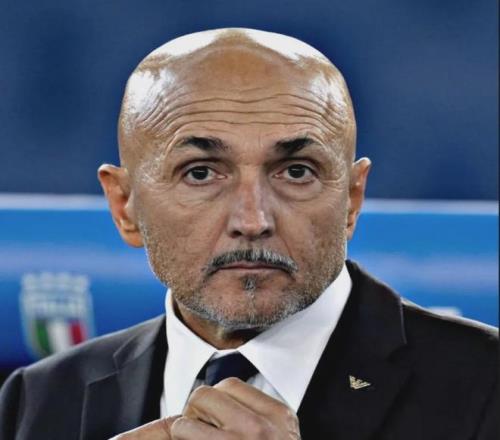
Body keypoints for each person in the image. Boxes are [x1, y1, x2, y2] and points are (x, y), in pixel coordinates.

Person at [0, 28, 497, 440]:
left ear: (351, 198)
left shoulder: (487, 385)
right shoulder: (38, 400)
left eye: (296, 171)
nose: (253, 219)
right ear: (124, 206)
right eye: (200, 173)